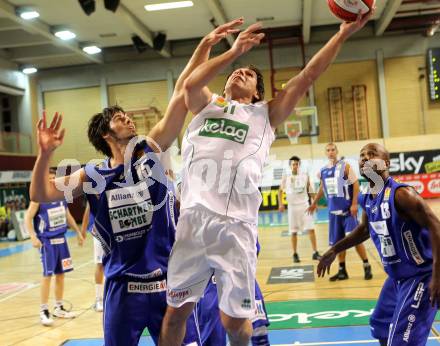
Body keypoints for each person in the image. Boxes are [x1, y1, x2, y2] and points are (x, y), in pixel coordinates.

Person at [160, 11, 374, 346]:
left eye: (247, 75)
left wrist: (343, 33)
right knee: (175, 315)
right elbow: (190, 83)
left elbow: (308, 75)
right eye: (236, 71)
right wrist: (232, 52)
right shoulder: (206, 105)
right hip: (192, 222)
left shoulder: (265, 115)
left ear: (258, 92)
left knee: (234, 323)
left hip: (235, 227)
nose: (239, 72)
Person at [30, 20, 243, 345]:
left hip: (167, 284)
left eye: (126, 115)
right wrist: (45, 153)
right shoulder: (93, 175)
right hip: (123, 289)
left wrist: (205, 45)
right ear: (105, 134)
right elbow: (41, 192)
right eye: (119, 118)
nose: (128, 118)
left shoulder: (151, 153)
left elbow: (181, 93)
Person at [317, 143, 440, 346]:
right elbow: (364, 229)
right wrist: (334, 249)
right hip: (397, 277)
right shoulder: (368, 197)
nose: (365, 158)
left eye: (372, 154)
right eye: (362, 155)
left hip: (420, 275)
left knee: (403, 341)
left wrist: (437, 274)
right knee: (380, 324)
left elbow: (436, 226)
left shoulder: (402, 195)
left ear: (386, 163)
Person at [25, 169, 84, 326]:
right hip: (47, 242)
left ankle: (58, 307)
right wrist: (32, 236)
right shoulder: (38, 198)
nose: (51, 181)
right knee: (47, 275)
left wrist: (78, 232)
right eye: (48, 178)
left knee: (61, 274)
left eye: (53, 178)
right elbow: (28, 217)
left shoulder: (60, 195)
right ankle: (43, 310)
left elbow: (67, 215)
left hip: (61, 240)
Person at [308, 143, 372, 281]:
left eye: (333, 150)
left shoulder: (345, 166)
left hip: (348, 212)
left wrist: (354, 204)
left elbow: (356, 184)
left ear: (337, 151)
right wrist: (314, 202)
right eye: (328, 150)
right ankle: (342, 270)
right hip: (333, 213)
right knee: (338, 243)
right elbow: (321, 188)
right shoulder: (323, 171)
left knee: (355, 239)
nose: (331, 152)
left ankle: (366, 265)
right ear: (325, 153)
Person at [278, 155, 321, 263]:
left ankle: (315, 252)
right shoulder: (286, 177)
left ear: (299, 165)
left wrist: (314, 203)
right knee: (293, 232)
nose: (295, 166)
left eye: (297, 164)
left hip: (305, 206)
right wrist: (281, 204)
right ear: (290, 166)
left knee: (311, 229)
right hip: (292, 207)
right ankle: (295, 254)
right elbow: (280, 191)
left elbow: (310, 189)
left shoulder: (304, 175)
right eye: (293, 164)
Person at [81, 197, 105, 311]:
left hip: (115, 231)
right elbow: (88, 209)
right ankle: (99, 299)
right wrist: (83, 230)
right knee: (100, 264)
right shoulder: (95, 188)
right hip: (99, 231)